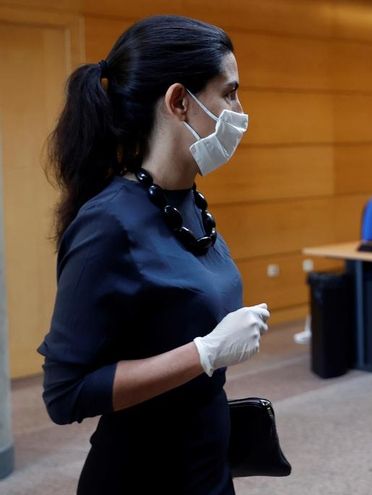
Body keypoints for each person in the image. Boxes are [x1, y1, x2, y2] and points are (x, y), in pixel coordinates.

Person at [38, 15, 269, 494]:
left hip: (206, 464)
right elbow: (65, 394)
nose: (239, 110)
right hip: (142, 477)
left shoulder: (187, 199)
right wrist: (204, 353)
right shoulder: (109, 223)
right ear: (179, 102)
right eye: (228, 93)